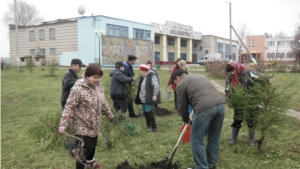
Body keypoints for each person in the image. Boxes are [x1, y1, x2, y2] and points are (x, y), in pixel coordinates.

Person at [58, 64, 114, 169]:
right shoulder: (78, 88)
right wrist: (63, 124)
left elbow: (104, 103)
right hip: (81, 126)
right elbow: (69, 106)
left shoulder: (98, 87)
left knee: (91, 149)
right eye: (95, 77)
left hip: (94, 125)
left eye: (99, 77)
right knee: (83, 153)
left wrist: (110, 116)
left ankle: (90, 166)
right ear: (87, 76)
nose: (97, 80)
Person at [172, 69, 226, 169]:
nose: (175, 84)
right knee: (214, 137)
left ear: (177, 78)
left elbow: (182, 107)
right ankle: (211, 164)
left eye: (174, 82)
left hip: (205, 108)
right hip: (221, 105)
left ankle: (201, 167)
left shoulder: (181, 85)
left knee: (197, 140)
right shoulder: (200, 76)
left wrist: (186, 120)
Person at [225, 61, 274, 146]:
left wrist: (268, 79)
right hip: (238, 101)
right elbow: (227, 88)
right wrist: (229, 99)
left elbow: (260, 77)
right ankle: (233, 138)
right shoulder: (230, 76)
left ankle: (251, 140)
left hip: (250, 100)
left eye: (232, 71)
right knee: (237, 119)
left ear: (237, 68)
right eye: (230, 72)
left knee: (251, 120)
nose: (232, 73)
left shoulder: (249, 72)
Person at [137, 64, 160, 132]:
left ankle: (154, 127)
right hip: (144, 98)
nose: (140, 72)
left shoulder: (152, 76)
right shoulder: (145, 77)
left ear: (144, 70)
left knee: (149, 111)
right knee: (145, 111)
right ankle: (148, 125)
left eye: (141, 71)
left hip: (149, 97)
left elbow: (156, 86)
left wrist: (155, 95)